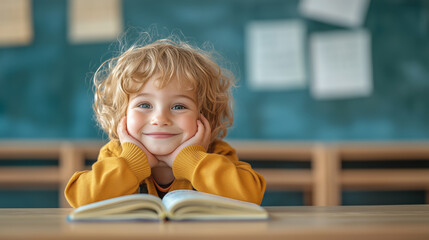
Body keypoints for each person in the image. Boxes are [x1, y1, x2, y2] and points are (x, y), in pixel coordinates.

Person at [64, 36, 266, 208]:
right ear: (121, 114)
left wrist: (191, 160)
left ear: (204, 115)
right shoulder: (117, 154)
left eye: (179, 107)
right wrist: (133, 164)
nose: (160, 119)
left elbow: (251, 196)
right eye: (144, 105)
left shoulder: (215, 154)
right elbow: (80, 198)